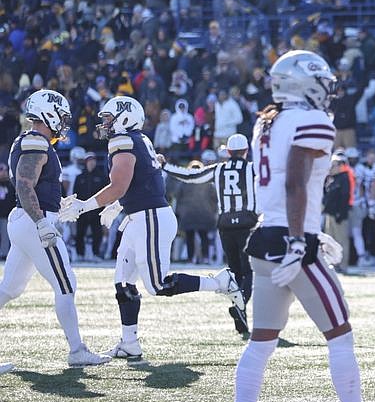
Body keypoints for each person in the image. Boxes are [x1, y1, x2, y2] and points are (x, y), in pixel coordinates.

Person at [58, 95, 244, 360]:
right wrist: (119, 205)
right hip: (140, 216)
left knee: (159, 284)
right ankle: (130, 342)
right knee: (123, 282)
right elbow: (142, 182)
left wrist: (84, 206)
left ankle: (220, 283)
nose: (105, 124)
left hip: (151, 217)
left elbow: (120, 186)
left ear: (125, 118)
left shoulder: (124, 141)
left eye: (109, 119)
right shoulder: (138, 140)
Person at [233, 50, 363, 402]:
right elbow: (294, 183)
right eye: (321, 83)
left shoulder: (266, 122)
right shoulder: (314, 120)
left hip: (263, 240)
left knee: (261, 342)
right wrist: (299, 239)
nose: (326, 91)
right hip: (292, 242)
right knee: (340, 334)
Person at [0, 90, 110, 367]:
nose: (63, 122)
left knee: (9, 289)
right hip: (33, 222)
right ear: (48, 114)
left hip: (26, 220)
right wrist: (42, 222)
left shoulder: (33, 140)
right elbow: (24, 185)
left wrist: (60, 205)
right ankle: (77, 351)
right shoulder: (36, 141)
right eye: (60, 116)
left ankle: (77, 350)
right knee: (66, 284)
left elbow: (34, 186)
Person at [161, 133, 257, 334]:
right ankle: (241, 304)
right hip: (247, 223)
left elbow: (191, 176)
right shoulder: (252, 169)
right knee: (249, 272)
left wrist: (166, 166)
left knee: (235, 271)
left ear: (228, 152)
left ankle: (241, 316)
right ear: (246, 151)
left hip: (225, 225)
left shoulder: (218, 168)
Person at [72, 151, 108, 261]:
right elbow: (75, 193)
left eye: (93, 160)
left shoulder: (101, 177)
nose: (91, 163)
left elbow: (105, 193)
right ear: (85, 162)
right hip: (82, 210)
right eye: (89, 160)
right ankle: (80, 254)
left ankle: (96, 254)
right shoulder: (80, 177)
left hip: (96, 210)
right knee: (80, 233)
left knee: (97, 233)